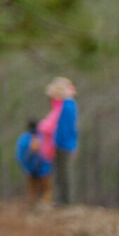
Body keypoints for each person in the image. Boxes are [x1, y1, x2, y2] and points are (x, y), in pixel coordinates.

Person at [40, 77, 79, 206]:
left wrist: (64, 143)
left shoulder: (67, 106)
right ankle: (61, 200)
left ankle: (66, 202)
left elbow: (66, 128)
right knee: (60, 173)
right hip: (61, 143)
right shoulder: (65, 105)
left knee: (64, 173)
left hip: (63, 144)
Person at [17, 118, 53, 207]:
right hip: (44, 170)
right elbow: (49, 153)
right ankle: (44, 207)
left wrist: (25, 167)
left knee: (32, 192)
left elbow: (20, 156)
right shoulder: (43, 137)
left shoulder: (23, 139)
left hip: (29, 170)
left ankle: (32, 207)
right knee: (46, 191)